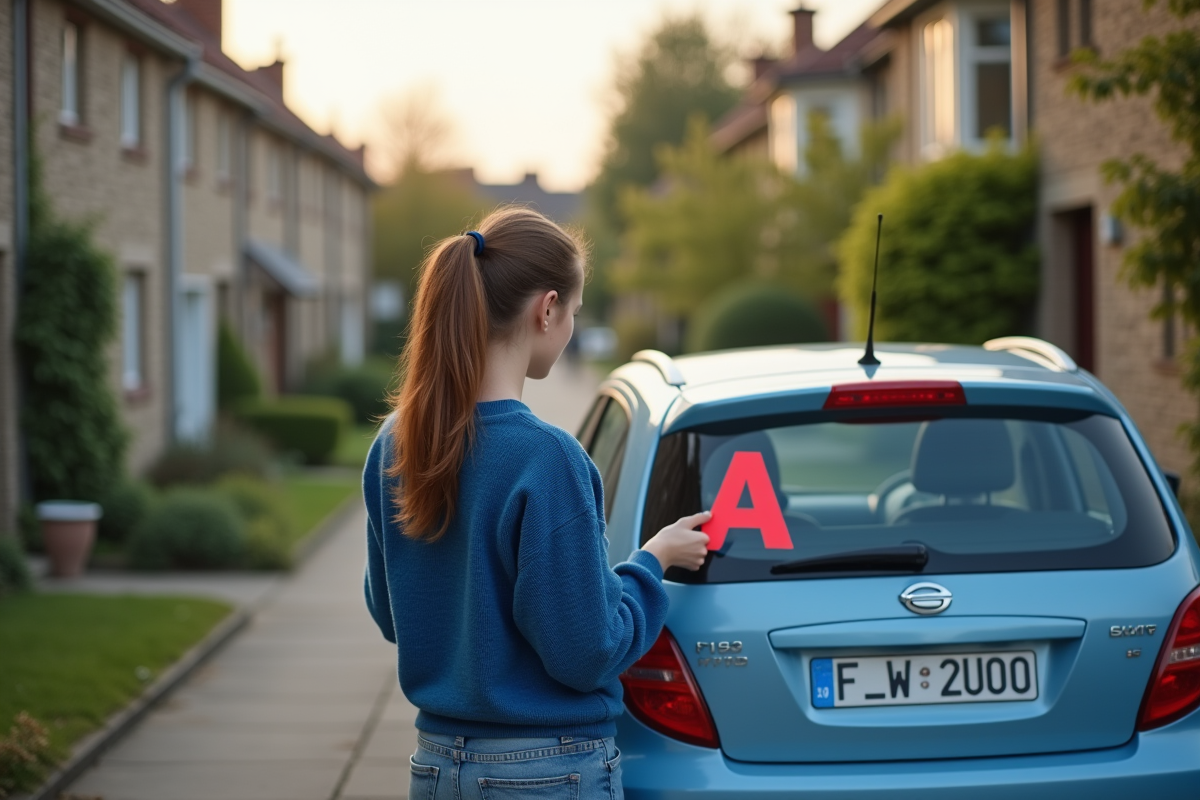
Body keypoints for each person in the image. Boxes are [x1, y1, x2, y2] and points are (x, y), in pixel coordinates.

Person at [362, 206, 711, 800]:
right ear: (546, 309)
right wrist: (651, 565)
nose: (572, 327)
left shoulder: (395, 441)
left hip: (438, 767)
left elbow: (393, 613)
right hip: (548, 773)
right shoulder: (548, 459)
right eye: (573, 311)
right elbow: (587, 651)